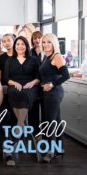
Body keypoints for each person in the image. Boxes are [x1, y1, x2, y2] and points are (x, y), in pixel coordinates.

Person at [39, 33, 70, 163]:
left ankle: (50, 152)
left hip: (54, 92)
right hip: (48, 93)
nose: (46, 44)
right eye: (44, 42)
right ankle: (59, 149)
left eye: (49, 42)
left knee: (50, 122)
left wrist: (52, 84)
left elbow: (66, 75)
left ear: (54, 43)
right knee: (56, 120)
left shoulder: (56, 56)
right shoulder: (46, 57)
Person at [5, 36, 40, 134]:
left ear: (26, 46)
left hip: (31, 86)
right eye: (18, 44)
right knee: (13, 92)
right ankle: (22, 125)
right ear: (15, 46)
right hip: (14, 85)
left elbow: (38, 77)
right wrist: (15, 83)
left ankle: (19, 124)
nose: (20, 46)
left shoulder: (33, 60)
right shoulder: (9, 60)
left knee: (25, 94)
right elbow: (6, 79)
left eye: (22, 44)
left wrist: (32, 82)